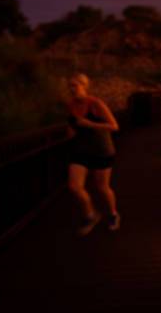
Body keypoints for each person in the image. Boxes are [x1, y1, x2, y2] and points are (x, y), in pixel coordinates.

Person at [66, 73, 120, 236]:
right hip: (81, 150)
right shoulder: (71, 104)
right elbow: (72, 124)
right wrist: (70, 132)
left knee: (102, 187)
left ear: (84, 86)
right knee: (74, 187)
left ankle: (113, 214)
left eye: (75, 85)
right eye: (70, 86)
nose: (72, 89)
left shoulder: (96, 103)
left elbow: (114, 126)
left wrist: (90, 124)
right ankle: (91, 215)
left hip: (101, 149)